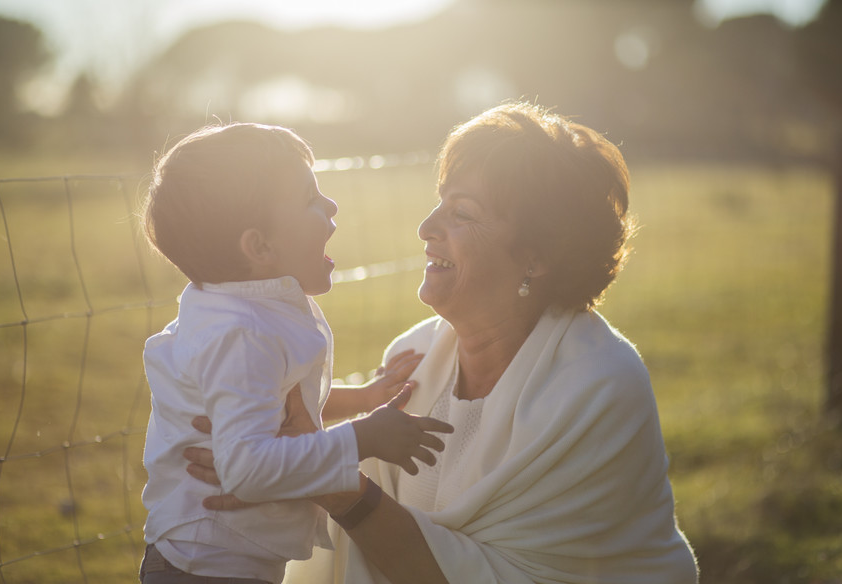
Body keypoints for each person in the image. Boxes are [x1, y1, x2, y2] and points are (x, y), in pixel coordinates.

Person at [185, 103, 699, 583]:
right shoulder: (412, 361)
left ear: (535, 258)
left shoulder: (598, 386)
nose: (426, 227)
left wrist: (321, 477)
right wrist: (267, 464)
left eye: (463, 213)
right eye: (439, 205)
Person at [139, 123, 453, 584]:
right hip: (208, 567)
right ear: (260, 246)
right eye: (310, 198)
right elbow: (247, 471)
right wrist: (363, 437)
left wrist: (363, 397)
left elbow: (278, 402)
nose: (331, 206)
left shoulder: (246, 307)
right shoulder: (242, 336)